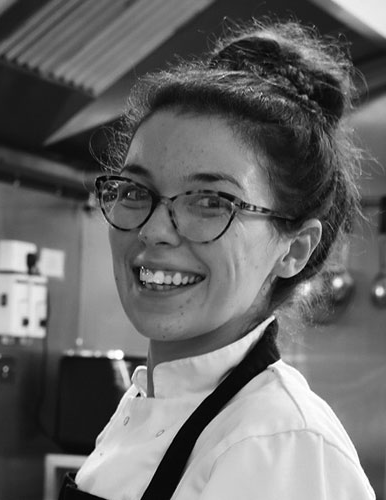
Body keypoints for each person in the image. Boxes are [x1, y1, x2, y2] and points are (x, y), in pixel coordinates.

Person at [60, 19, 375, 500]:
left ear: (294, 248)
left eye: (211, 201)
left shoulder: (276, 446)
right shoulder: (149, 401)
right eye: (135, 191)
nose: (153, 230)